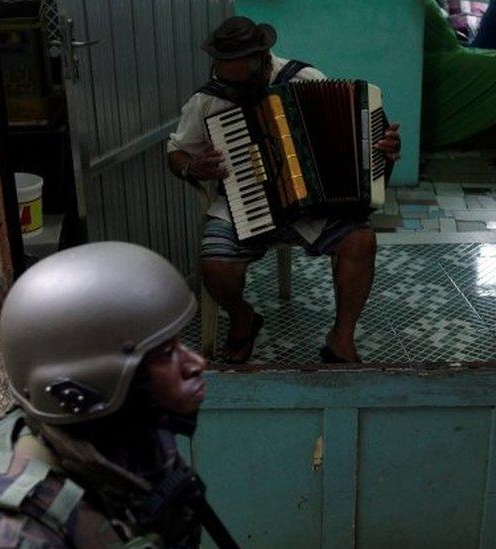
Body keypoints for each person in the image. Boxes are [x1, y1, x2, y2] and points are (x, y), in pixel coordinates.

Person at [0, 242, 238, 549]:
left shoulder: (123, 432)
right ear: (92, 384)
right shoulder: (6, 535)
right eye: (166, 354)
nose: (196, 364)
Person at [167, 16, 402, 364]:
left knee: (361, 241)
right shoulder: (208, 100)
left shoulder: (304, 80)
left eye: (241, 84)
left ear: (263, 61)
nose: (232, 93)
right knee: (214, 266)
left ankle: (340, 338)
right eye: (223, 80)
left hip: (314, 208)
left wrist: (385, 149)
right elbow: (176, 150)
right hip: (241, 204)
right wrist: (191, 166)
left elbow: (357, 143)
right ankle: (244, 317)